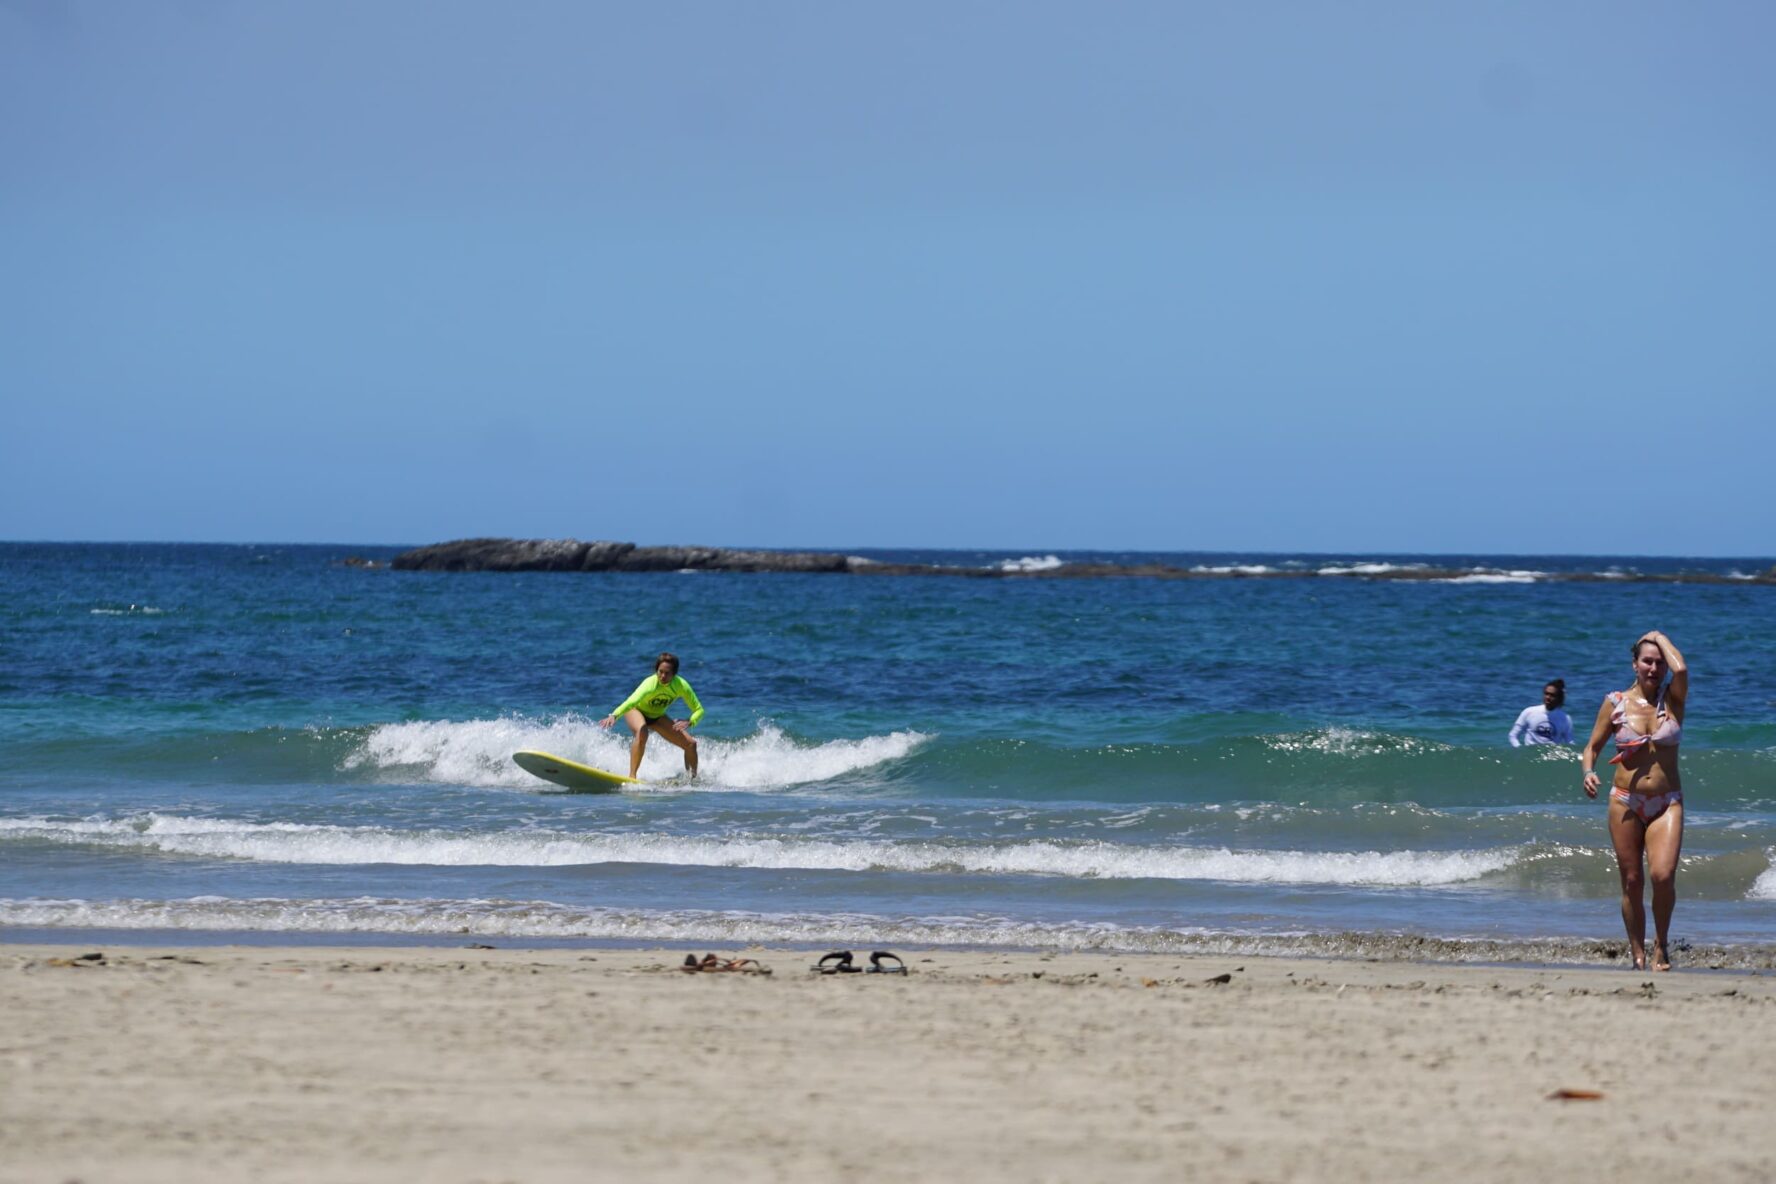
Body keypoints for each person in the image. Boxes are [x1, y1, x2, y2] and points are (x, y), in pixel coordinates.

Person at [1578, 631, 1687, 971]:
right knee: (1631, 880)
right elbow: (1592, 746)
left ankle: (1661, 946)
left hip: (1666, 801)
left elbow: (1681, 670)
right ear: (1635, 665)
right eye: (1647, 661)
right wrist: (1588, 771)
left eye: (1659, 662)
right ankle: (1637, 953)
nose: (1654, 668)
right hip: (1625, 801)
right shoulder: (1615, 702)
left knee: (1663, 875)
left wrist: (1656, 636)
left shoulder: (1673, 699)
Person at [598, 652, 704, 780]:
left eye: (667, 673)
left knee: (691, 744)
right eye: (660, 672)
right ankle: (632, 777)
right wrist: (614, 715)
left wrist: (690, 721)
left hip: (657, 717)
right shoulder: (650, 684)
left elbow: (699, 709)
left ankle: (692, 780)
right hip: (635, 710)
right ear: (656, 670)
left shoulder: (681, 686)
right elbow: (631, 701)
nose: (663, 676)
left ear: (674, 674)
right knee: (643, 733)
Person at [1508, 680, 1574, 746]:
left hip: (1551, 755)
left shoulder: (1565, 718)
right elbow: (1513, 735)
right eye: (1546, 694)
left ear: (1559, 698)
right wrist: (1520, 751)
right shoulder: (1529, 712)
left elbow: (1570, 742)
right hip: (1531, 753)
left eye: (1552, 695)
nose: (1548, 697)